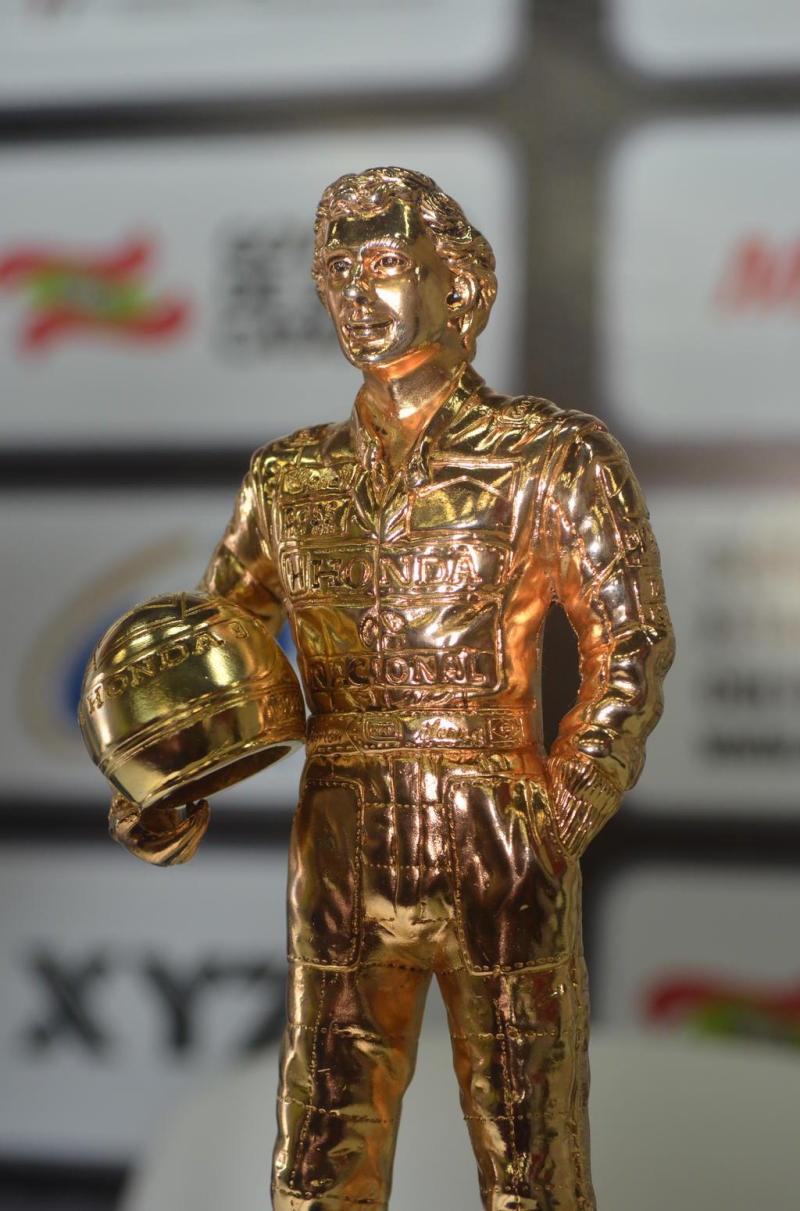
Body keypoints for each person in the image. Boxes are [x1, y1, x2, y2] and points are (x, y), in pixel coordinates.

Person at [113, 166, 674, 1211]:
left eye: (380, 265)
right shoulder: (287, 478)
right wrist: (160, 784)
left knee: (531, 1151)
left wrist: (560, 807)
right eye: (334, 275)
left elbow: (630, 641)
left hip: (496, 826)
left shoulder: (550, 454)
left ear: (455, 282)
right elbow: (217, 648)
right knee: (320, 1148)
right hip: (339, 838)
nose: (353, 296)